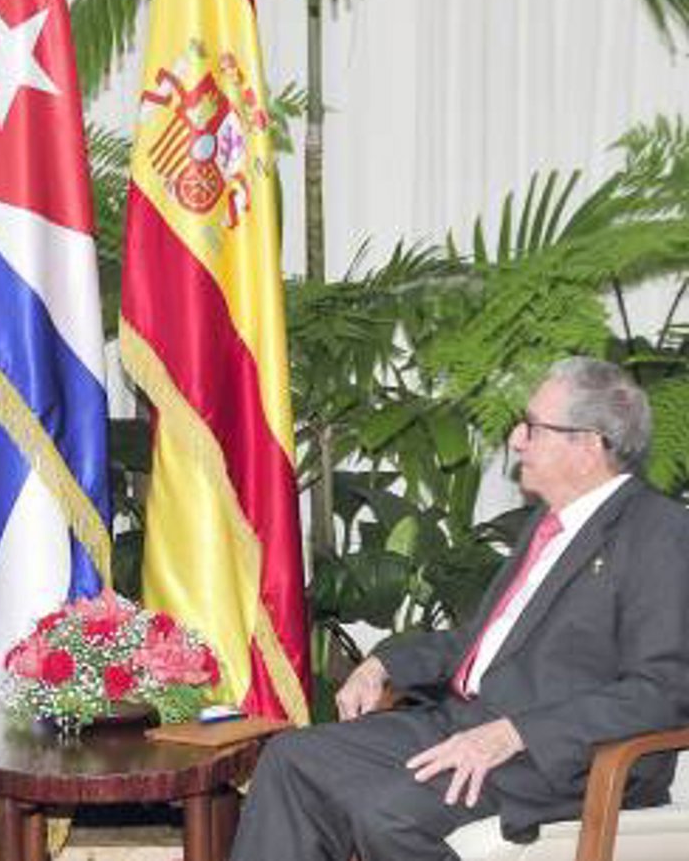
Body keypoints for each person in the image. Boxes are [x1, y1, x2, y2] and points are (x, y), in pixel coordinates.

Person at [231, 357, 689, 861]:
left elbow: (662, 691)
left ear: (588, 447)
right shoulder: (549, 526)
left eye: (533, 427)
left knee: (385, 811)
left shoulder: (659, 533)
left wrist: (515, 734)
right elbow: (484, 641)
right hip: (464, 723)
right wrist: (383, 663)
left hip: (558, 759)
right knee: (291, 757)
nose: (516, 440)